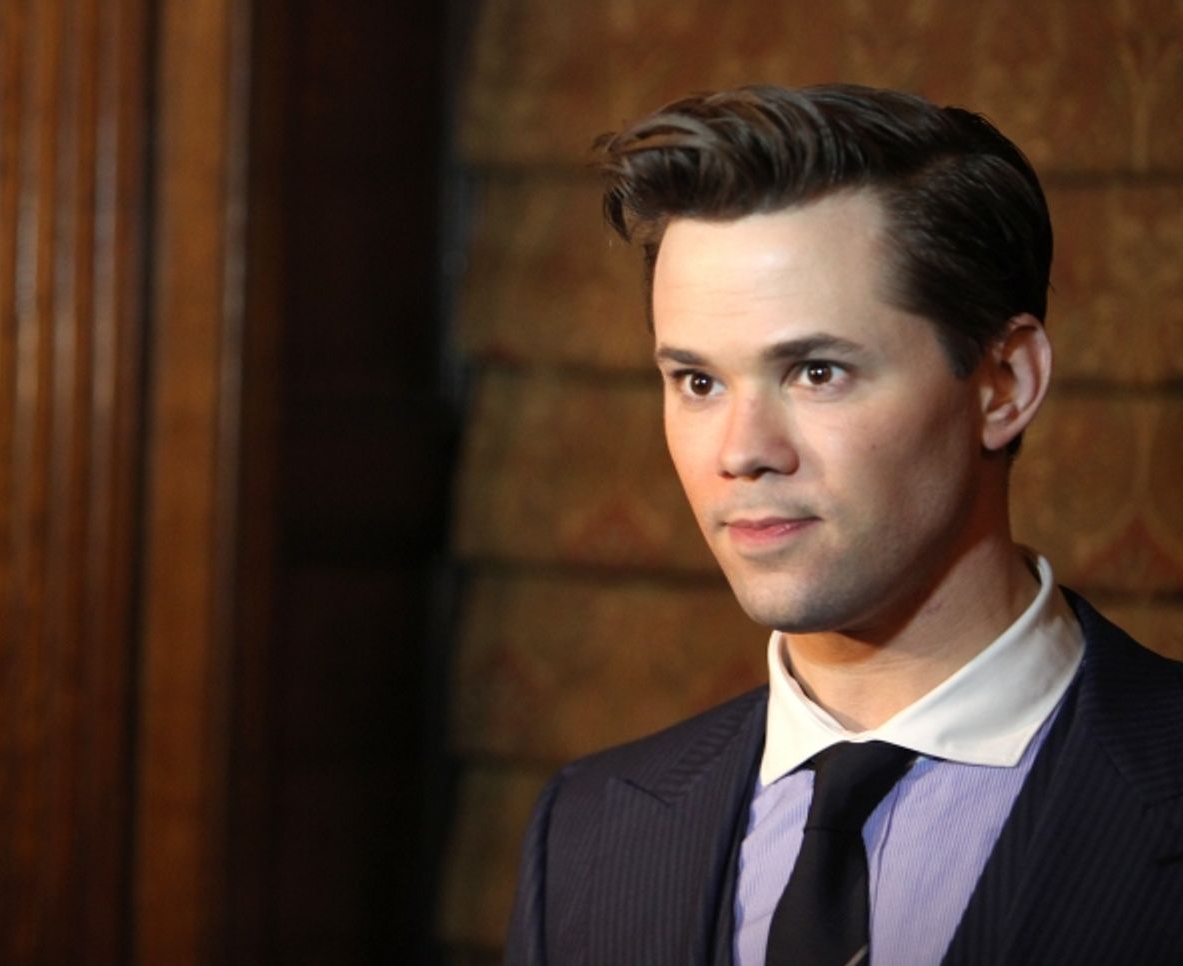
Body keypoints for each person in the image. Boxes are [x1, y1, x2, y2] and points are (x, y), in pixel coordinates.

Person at [503, 84, 1183, 966]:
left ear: (1005, 383)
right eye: (698, 382)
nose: (742, 452)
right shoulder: (588, 833)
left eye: (816, 371)